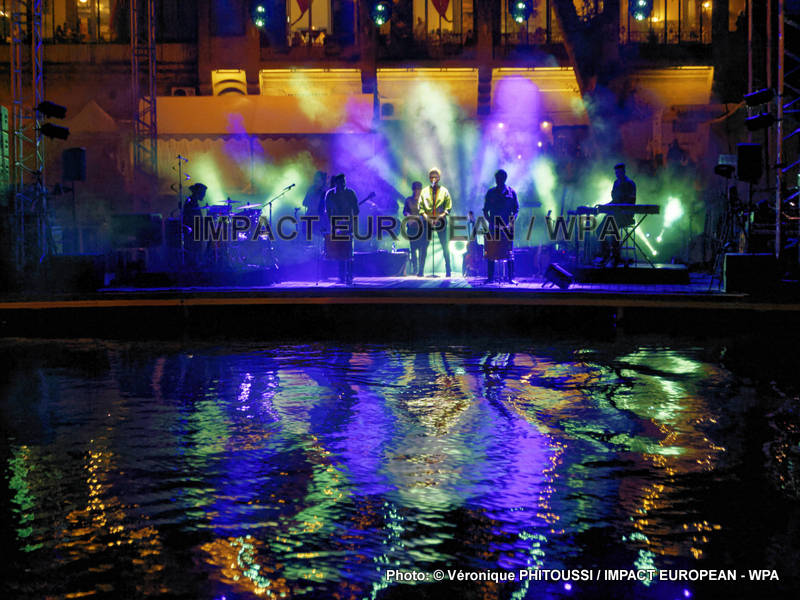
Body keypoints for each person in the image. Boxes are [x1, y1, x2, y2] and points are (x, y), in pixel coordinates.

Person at [483, 169, 519, 283]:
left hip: (507, 227)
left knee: (509, 252)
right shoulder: (491, 193)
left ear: (504, 179)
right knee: (491, 252)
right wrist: (491, 222)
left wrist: (511, 222)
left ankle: (511, 278)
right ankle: (490, 278)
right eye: (497, 178)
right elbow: (485, 210)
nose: (498, 180)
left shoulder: (511, 192)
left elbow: (516, 210)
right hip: (493, 227)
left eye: (500, 178)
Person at [324, 173, 359, 285]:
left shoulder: (350, 193)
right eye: (340, 182)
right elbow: (327, 211)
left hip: (348, 225)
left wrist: (350, 220)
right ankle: (342, 276)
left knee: (349, 251)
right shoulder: (330, 194)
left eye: (344, 181)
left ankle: (350, 276)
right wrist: (332, 224)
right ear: (336, 182)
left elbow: (356, 211)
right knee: (340, 252)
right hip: (335, 225)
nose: (343, 184)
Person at [417, 167, 452, 277]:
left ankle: (448, 270)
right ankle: (421, 271)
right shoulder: (424, 191)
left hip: (440, 220)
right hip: (427, 220)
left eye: (435, 177)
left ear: (439, 178)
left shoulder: (444, 191)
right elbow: (420, 208)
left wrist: (439, 217)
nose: (433, 179)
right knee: (424, 245)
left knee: (444, 245)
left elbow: (448, 208)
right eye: (431, 177)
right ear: (429, 178)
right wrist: (427, 217)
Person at [602, 162, 636, 266]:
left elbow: (630, 201)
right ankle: (606, 255)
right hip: (615, 214)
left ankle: (615, 257)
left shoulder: (630, 184)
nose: (617, 175)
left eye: (619, 172)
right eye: (616, 173)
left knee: (613, 227)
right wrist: (603, 207)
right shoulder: (616, 183)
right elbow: (614, 201)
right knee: (600, 230)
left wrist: (617, 208)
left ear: (624, 172)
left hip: (625, 215)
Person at [403, 181, 424, 276]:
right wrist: (408, 215)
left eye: (418, 189)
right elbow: (405, 211)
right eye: (415, 189)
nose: (416, 191)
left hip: (421, 228)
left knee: (421, 248)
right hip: (411, 227)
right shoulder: (408, 200)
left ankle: (421, 269)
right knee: (413, 248)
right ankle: (415, 268)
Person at [183, 182, 207, 266]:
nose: (204, 195)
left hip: (193, 230)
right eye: (203, 193)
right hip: (192, 232)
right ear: (199, 192)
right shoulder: (191, 202)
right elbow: (190, 218)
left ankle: (195, 263)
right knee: (194, 250)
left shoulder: (193, 201)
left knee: (196, 249)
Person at [302, 170, 328, 241]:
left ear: (322, 181)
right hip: (310, 216)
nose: (316, 182)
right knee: (307, 235)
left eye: (318, 180)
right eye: (315, 180)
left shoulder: (325, 191)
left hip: (320, 218)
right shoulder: (311, 189)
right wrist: (311, 202)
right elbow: (304, 203)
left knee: (320, 236)